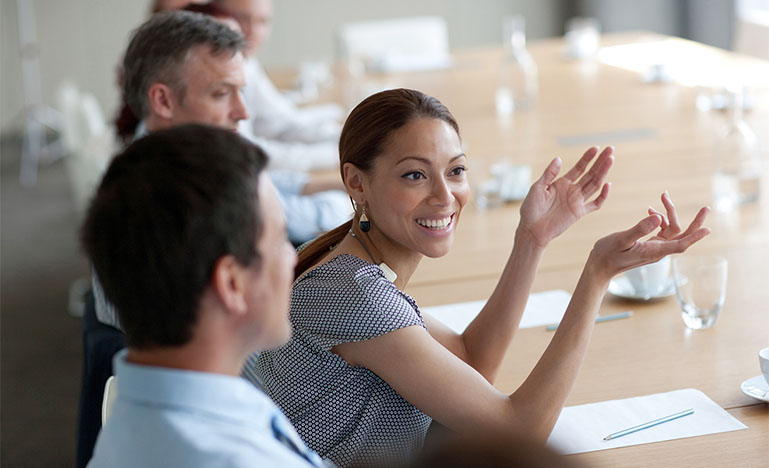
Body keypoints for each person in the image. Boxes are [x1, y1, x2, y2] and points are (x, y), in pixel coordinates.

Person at [255, 88, 711, 466]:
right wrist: (597, 274)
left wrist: (531, 240)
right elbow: (519, 431)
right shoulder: (356, 295)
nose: (445, 195)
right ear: (356, 182)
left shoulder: (344, 267)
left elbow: (470, 360)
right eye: (414, 175)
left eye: (456, 170)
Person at [82, 125, 329, 467]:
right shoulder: (235, 459)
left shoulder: (143, 412)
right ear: (232, 284)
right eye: (280, 240)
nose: (293, 257)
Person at [213, 0, 345, 172]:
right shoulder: (214, 73)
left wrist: (351, 136)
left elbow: (280, 123)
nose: (253, 32)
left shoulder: (248, 62)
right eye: (242, 19)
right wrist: (336, 155)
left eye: (262, 21)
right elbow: (247, 152)